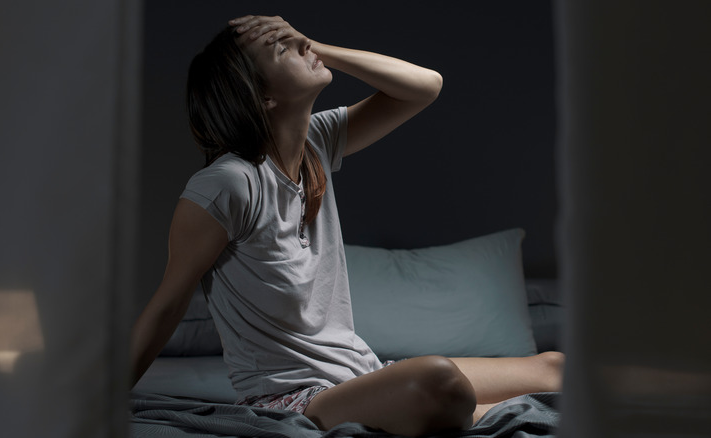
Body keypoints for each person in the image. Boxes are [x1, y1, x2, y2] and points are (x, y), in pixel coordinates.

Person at [131, 15, 564, 437]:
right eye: (285, 48)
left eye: (300, 40)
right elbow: (167, 307)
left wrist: (318, 49)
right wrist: (98, 398)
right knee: (438, 379)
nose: (303, 45)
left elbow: (425, 86)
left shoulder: (316, 143)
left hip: (363, 374)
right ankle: (482, 412)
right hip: (295, 398)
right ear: (262, 97)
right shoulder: (227, 184)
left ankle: (453, 409)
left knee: (555, 368)